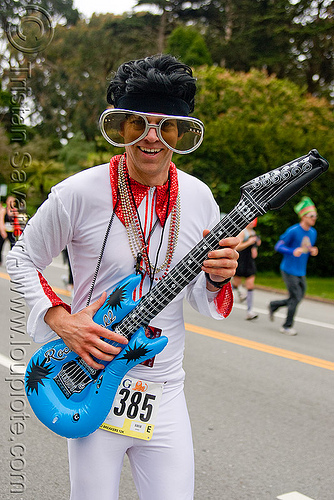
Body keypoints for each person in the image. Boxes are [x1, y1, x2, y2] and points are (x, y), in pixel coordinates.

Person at [7, 54, 240, 500]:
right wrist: (60, 319)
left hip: (165, 390)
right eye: (138, 124)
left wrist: (216, 280)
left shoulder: (200, 196)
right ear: (121, 129)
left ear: (181, 133)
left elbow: (205, 302)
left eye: (166, 126)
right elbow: (21, 258)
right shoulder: (78, 193)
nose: (152, 138)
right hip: (93, 380)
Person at [268, 196, 318, 335]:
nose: (314, 218)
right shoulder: (293, 230)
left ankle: (274, 305)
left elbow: (306, 247)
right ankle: (286, 326)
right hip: (288, 269)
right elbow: (279, 246)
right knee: (295, 297)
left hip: (301, 270)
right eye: (311, 216)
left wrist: (312, 250)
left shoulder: (313, 232)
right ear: (303, 217)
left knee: (298, 297)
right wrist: (291, 251)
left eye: (315, 216)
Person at [232, 218, 261, 320]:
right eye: (251, 220)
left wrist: (255, 248)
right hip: (241, 260)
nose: (252, 222)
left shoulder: (253, 232)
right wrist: (249, 242)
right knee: (235, 284)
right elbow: (237, 247)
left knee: (250, 285)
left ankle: (249, 311)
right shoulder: (243, 232)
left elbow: (253, 246)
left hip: (249, 262)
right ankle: (217, 295)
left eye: (254, 221)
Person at [0, 195, 24, 265]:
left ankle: (13, 261)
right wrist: (2, 231)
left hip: (12, 231)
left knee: (13, 246)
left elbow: (17, 222)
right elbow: (1, 221)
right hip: (4, 230)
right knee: (1, 246)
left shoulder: (15, 211)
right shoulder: (4, 210)